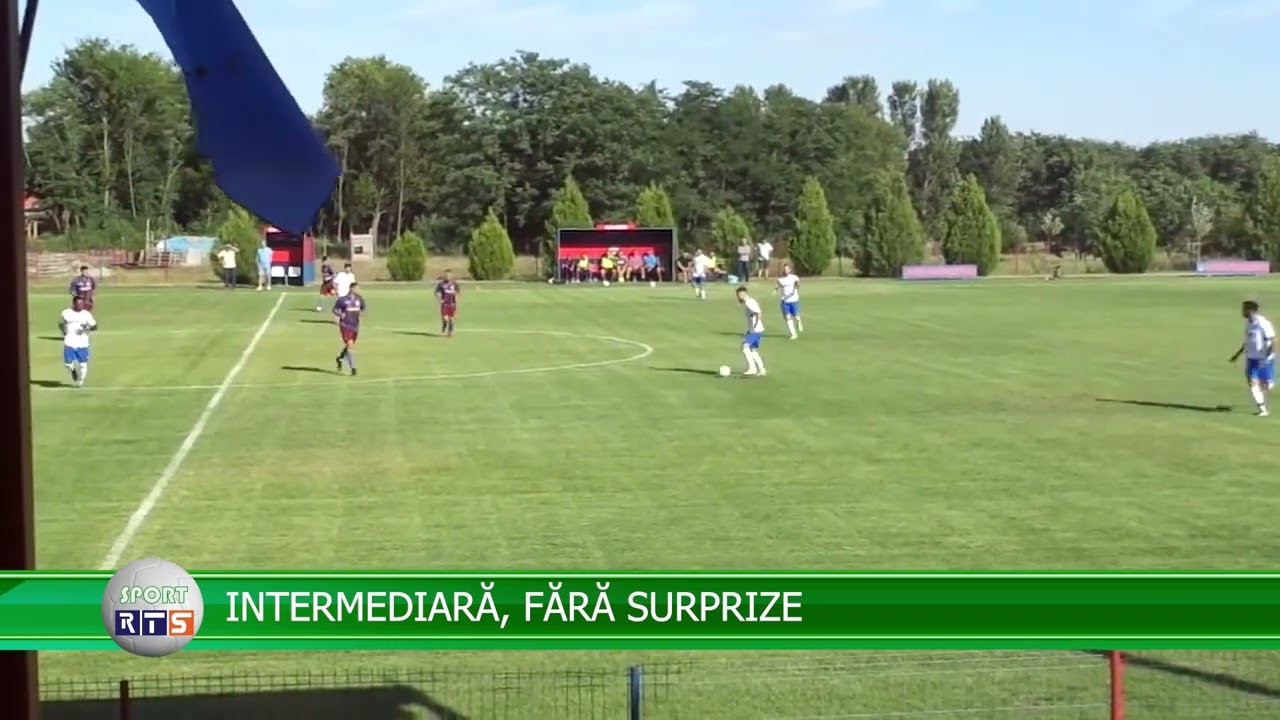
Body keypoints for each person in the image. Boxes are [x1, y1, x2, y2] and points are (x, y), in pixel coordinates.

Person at [1230, 300, 1276, 417]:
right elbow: (1247, 341)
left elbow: (1272, 340)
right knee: (1252, 383)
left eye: (1244, 309)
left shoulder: (1263, 323)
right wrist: (1237, 354)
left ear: (1250, 311)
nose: (1242, 312)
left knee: (1266, 386)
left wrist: (1269, 356)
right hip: (1251, 358)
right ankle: (1263, 409)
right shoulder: (1248, 323)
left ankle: (1268, 382)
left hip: (1264, 359)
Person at [59, 296, 97, 388]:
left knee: (83, 364)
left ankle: (80, 381)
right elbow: (61, 323)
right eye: (78, 304)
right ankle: (73, 371)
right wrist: (63, 330)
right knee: (67, 364)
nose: (80, 305)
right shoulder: (66, 313)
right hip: (69, 341)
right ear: (74, 304)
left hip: (82, 342)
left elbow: (94, 326)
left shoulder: (86, 314)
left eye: (82, 304)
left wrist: (84, 330)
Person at [333, 282, 366, 376]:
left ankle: (340, 358)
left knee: (349, 345)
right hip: (345, 325)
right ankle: (353, 368)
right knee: (350, 345)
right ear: (351, 289)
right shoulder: (342, 300)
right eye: (356, 288)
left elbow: (363, 309)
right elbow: (334, 310)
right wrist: (340, 314)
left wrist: (361, 314)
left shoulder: (360, 299)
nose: (358, 290)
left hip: (355, 325)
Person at [735, 285, 766, 377]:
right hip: (755, 330)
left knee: (744, 347)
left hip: (756, 330)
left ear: (742, 294)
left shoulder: (749, 302)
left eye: (738, 295)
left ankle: (752, 368)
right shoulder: (749, 302)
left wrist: (756, 325)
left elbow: (758, 312)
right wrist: (749, 330)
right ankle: (762, 369)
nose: (737, 298)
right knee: (752, 350)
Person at [775, 264, 803, 339]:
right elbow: (778, 285)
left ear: (790, 270)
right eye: (784, 269)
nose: (785, 271)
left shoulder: (794, 277)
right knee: (787, 318)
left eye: (787, 269)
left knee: (796, 316)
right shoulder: (780, 279)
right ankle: (793, 334)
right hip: (785, 301)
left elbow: (798, 284)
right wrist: (775, 290)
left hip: (794, 300)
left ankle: (799, 321)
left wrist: (795, 289)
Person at [434, 270, 460, 338]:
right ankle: (444, 326)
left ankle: (450, 333)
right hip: (445, 304)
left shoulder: (454, 283)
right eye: (446, 275)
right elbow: (436, 292)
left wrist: (456, 301)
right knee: (445, 319)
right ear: (444, 276)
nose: (447, 276)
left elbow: (457, 293)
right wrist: (440, 299)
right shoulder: (441, 284)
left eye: (449, 275)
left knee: (451, 319)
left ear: (451, 276)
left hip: (452, 304)